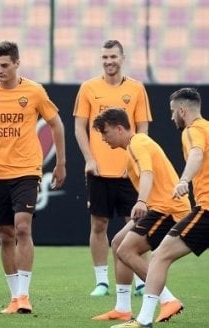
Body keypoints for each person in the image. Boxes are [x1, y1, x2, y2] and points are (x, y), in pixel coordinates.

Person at [0, 41, 66, 315]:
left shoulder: (33, 91)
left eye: (4, 65)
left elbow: (56, 124)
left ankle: (24, 295)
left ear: (17, 63)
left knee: (22, 227)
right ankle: (14, 298)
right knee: (5, 234)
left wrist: (61, 163)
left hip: (27, 170)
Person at [113, 88, 209, 328]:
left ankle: (145, 318)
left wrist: (184, 180)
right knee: (140, 250)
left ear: (181, 110)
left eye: (172, 112)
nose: (171, 118)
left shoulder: (192, 131)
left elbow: (196, 154)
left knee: (159, 256)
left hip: (204, 208)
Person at [90, 108, 187, 323]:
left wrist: (141, 202)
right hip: (158, 206)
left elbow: (147, 173)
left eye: (105, 133)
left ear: (120, 128)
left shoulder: (136, 145)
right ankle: (123, 308)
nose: (104, 139)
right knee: (118, 243)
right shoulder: (136, 145)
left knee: (127, 250)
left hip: (167, 209)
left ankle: (168, 300)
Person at [73, 40, 152, 297]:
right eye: (105, 57)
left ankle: (141, 279)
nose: (109, 61)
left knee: (136, 224)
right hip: (98, 171)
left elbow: (142, 129)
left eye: (113, 57)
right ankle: (101, 281)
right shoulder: (88, 88)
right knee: (98, 225)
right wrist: (89, 158)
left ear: (122, 58)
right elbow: (79, 127)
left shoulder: (136, 89)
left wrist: (134, 161)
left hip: (128, 171)